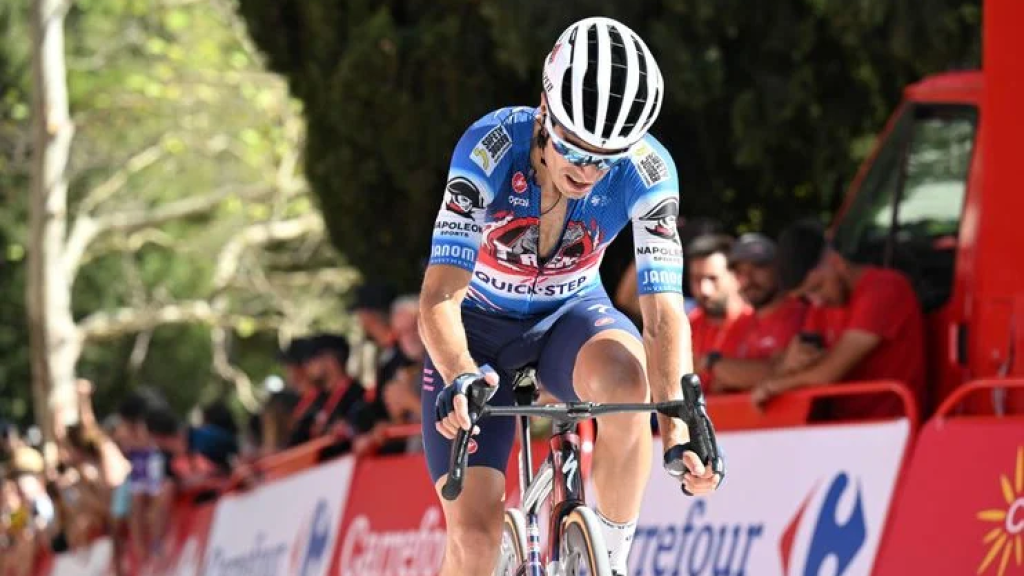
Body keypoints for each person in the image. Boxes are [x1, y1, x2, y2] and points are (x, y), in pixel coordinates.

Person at [419, 17, 723, 575]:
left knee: (630, 384)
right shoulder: (487, 152)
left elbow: (663, 317)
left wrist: (680, 425)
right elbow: (438, 297)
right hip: (478, 333)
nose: (589, 170)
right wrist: (459, 372)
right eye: (576, 149)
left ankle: (610, 557)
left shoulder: (649, 172)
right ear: (544, 113)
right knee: (475, 538)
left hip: (572, 317)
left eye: (606, 157)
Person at [754, 220, 926, 420]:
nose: (815, 301)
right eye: (805, 297)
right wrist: (790, 363)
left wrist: (774, 385)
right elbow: (800, 361)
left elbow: (828, 373)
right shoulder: (823, 304)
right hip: (844, 427)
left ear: (836, 261)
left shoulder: (884, 288)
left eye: (816, 287)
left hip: (892, 426)